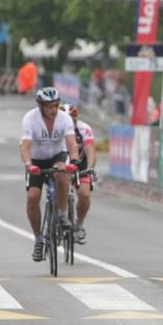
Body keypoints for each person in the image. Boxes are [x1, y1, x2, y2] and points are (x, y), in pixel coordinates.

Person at [21, 88, 80, 261]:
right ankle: (38, 239)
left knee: (62, 172)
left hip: (57, 155)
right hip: (36, 160)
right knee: (33, 196)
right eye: (49, 106)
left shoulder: (65, 118)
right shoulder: (30, 119)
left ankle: (62, 214)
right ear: (40, 106)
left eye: (56, 105)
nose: (54, 110)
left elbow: (71, 144)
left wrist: (74, 161)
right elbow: (25, 146)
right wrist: (28, 164)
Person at [61, 104, 97, 243]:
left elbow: (90, 150)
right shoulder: (54, 128)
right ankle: (57, 216)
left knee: (84, 194)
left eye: (72, 120)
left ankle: (79, 224)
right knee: (59, 186)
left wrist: (90, 168)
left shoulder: (84, 128)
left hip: (80, 162)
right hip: (61, 160)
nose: (69, 123)